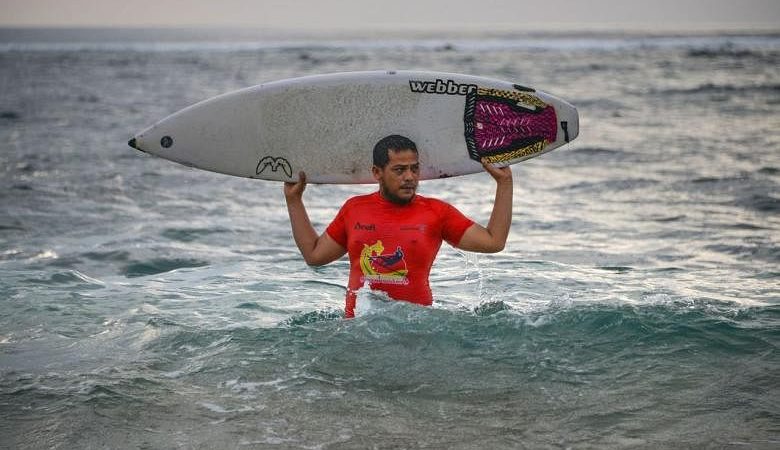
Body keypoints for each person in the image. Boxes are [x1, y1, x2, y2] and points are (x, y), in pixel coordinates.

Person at [284, 135, 512, 318]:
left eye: (414, 169)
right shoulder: (354, 209)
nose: (410, 177)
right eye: (399, 170)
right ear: (377, 172)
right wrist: (294, 200)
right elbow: (314, 255)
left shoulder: (436, 213)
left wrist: (504, 183)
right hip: (358, 331)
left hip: (415, 330)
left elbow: (493, 242)